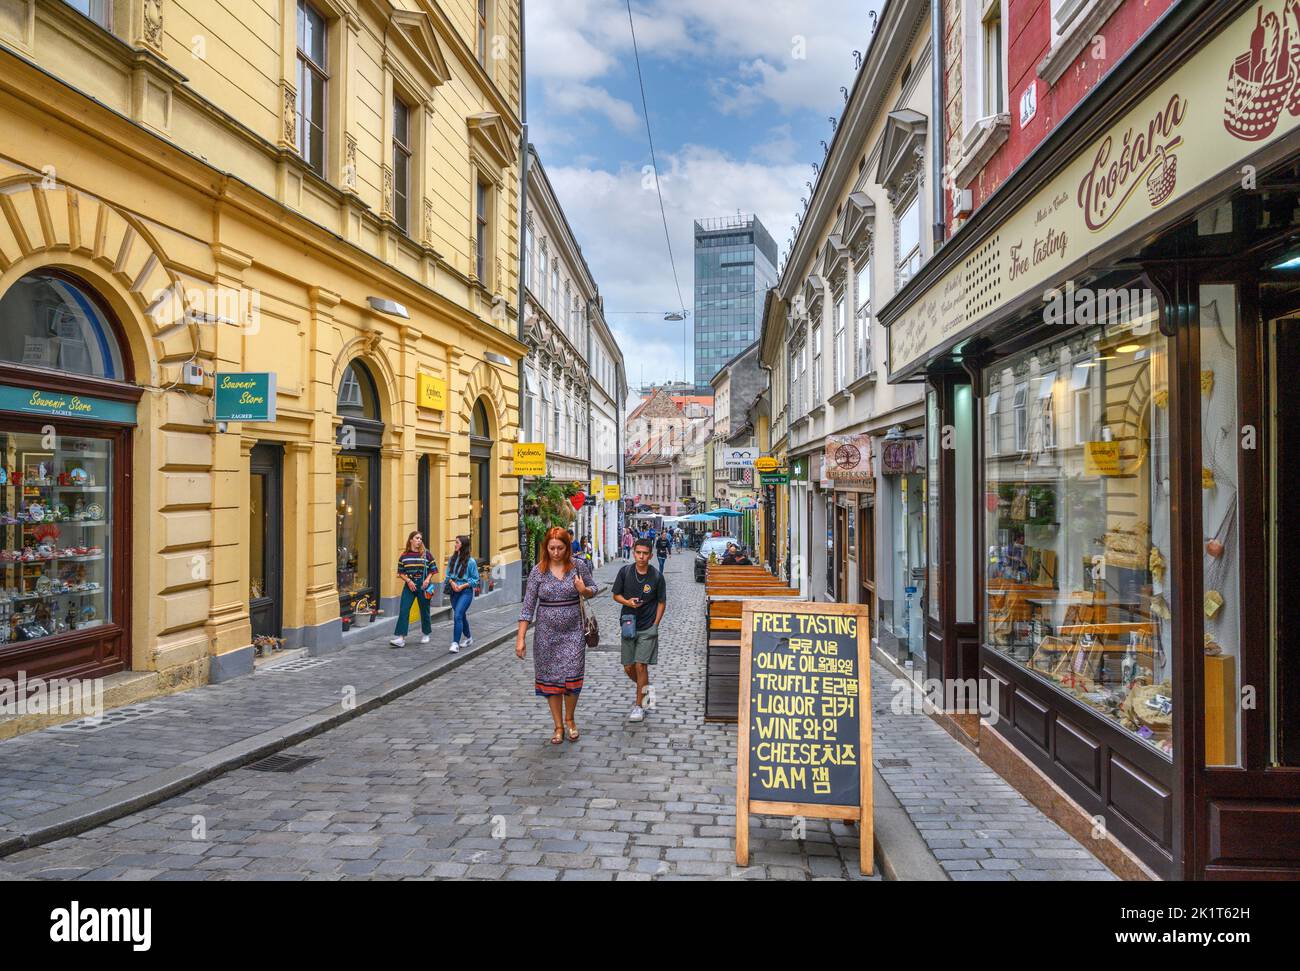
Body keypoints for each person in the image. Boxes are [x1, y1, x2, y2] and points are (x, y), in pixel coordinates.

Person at [517, 526, 600, 744]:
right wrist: (521, 638)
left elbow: (594, 588)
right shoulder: (538, 571)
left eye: (560, 548)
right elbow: (527, 607)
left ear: (567, 547)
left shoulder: (578, 566)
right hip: (545, 635)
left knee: (572, 675)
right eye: (552, 548)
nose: (556, 552)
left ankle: (570, 719)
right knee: (551, 679)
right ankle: (558, 726)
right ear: (546, 548)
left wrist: (584, 590)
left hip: (574, 632)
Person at [612, 537, 666, 722]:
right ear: (634, 553)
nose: (641, 556)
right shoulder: (625, 572)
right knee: (628, 667)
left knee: (640, 665)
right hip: (628, 625)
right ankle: (646, 691)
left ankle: (639, 706)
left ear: (650, 555)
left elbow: (661, 602)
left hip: (647, 626)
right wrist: (627, 602)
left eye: (645, 553)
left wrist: (655, 624)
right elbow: (615, 595)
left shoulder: (657, 576)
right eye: (638, 553)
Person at [389, 530, 439, 648]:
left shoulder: (426, 554)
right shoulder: (404, 556)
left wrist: (427, 580)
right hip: (409, 585)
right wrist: (409, 581)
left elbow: (433, 569)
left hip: (423, 585)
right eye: (417, 538)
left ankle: (426, 633)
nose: (419, 540)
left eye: (420, 539)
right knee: (404, 609)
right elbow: (401, 572)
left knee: (424, 610)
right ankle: (401, 638)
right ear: (411, 540)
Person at [445, 535, 479, 654]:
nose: (455, 544)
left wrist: (462, 586)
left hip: (465, 592)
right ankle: (469, 638)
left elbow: (475, 580)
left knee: (458, 615)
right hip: (454, 592)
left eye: (457, 542)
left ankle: (455, 643)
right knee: (461, 615)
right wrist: (452, 583)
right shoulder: (452, 559)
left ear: (463, 545)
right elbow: (447, 575)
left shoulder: (471, 562)